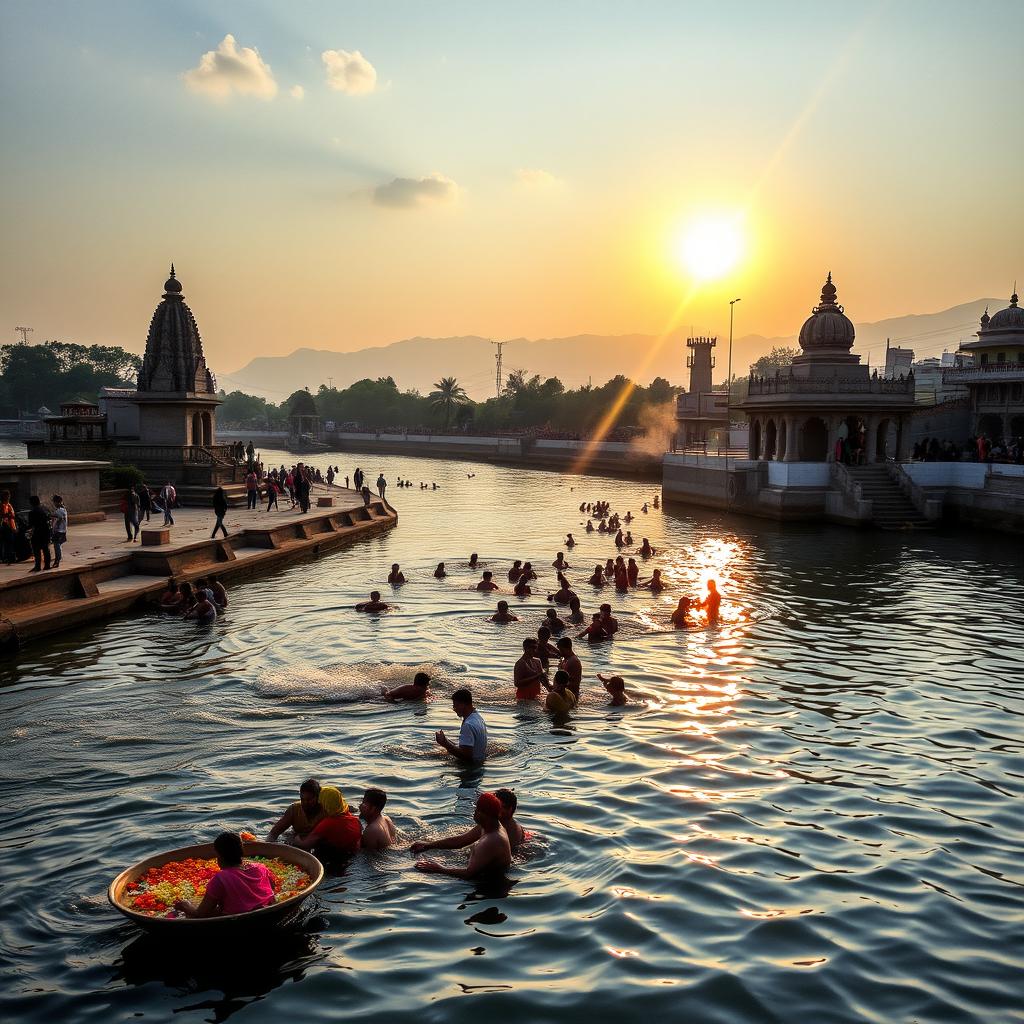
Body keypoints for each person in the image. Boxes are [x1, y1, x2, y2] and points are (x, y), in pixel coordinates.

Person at [174, 832, 275, 918]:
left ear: (219, 856)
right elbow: (272, 887)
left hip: (240, 918)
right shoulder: (261, 867)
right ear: (241, 851)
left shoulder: (220, 878)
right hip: (269, 911)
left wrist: (185, 905)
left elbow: (200, 913)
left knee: (190, 914)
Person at [414, 792, 512, 879]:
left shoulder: (492, 840)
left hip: (488, 888)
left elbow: (468, 874)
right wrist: (428, 845)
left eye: (476, 809)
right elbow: (460, 841)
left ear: (483, 814)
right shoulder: (489, 825)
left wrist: (439, 869)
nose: (474, 813)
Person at [411, 787, 525, 856]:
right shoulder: (514, 826)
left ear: (510, 809)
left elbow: (461, 841)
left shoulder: (497, 826)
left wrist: (429, 846)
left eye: (500, 807)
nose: (495, 809)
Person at [293, 786, 362, 858]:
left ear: (326, 805)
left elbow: (305, 844)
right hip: (353, 857)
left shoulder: (328, 823)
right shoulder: (355, 820)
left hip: (335, 859)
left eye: (321, 803)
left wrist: (296, 837)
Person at [435, 688, 487, 762]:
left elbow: (466, 756)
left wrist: (445, 743)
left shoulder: (468, 725)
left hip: (470, 769)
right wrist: (446, 741)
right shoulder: (478, 718)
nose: (454, 709)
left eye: (455, 705)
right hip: (480, 763)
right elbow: (469, 747)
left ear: (463, 704)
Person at [27, 495, 52, 572]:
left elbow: (30, 525)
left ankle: (37, 566)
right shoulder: (45, 509)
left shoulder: (32, 512)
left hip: (37, 533)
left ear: (32, 503)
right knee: (46, 549)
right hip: (46, 532)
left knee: (36, 550)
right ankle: (47, 565)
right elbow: (49, 519)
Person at [50, 494, 67, 568]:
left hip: (59, 531)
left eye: (54, 502)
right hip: (61, 530)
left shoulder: (60, 511)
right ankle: (58, 558)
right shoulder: (62, 509)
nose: (54, 504)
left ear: (58, 502)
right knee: (58, 545)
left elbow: (56, 518)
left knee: (56, 545)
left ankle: (57, 560)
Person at [1, 490, 17, 565]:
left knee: (10, 543)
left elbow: (12, 516)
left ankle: (10, 558)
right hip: (5, 526)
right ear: (4, 496)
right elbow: (3, 515)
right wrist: (9, 515)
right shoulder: (2, 505)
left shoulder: (9, 505)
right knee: (7, 543)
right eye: (7, 495)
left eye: (9, 495)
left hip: (11, 526)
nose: (9, 497)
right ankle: (7, 558)